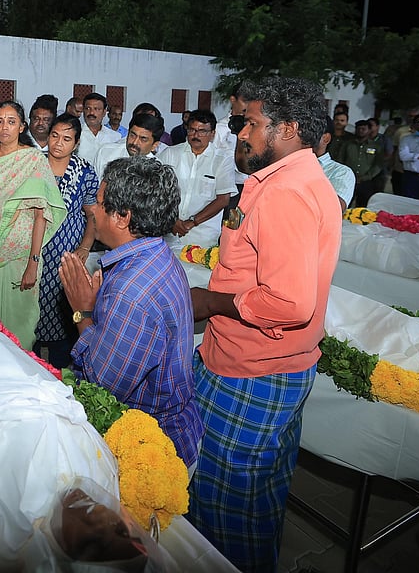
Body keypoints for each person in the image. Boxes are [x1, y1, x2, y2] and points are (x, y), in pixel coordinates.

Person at [188, 76, 339, 573]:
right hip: (271, 364)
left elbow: (290, 303)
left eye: (251, 123)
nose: (241, 133)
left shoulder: (285, 193)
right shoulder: (290, 180)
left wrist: (210, 301)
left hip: (251, 373)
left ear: (287, 129)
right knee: (258, 502)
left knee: (224, 508)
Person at [59, 156, 203, 465]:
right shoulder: (154, 254)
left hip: (149, 451)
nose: (92, 211)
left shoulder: (131, 291)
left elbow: (102, 386)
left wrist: (82, 312)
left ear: (123, 217)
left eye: (100, 203)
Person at [0, 100, 66, 350]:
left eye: (11, 122)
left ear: (22, 127)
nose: (4, 127)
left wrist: (33, 263)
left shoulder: (34, 160)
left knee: (17, 328)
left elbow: (41, 215)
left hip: (19, 257)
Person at [34, 113, 99, 369]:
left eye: (66, 139)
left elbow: (92, 214)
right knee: (32, 315)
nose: (58, 143)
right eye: (54, 136)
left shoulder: (84, 171)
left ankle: (63, 372)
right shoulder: (33, 165)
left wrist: (85, 247)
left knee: (64, 314)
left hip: (68, 254)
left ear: (77, 143)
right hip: (35, 253)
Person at [165, 109, 236, 251]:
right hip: (168, 233)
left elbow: (223, 199)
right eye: (192, 130)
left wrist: (192, 222)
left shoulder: (222, 160)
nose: (196, 135)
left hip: (202, 239)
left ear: (213, 134)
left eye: (202, 131)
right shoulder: (170, 153)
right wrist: (172, 220)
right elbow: (157, 191)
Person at [93, 112, 164, 180]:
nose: (135, 143)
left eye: (143, 139)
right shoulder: (106, 152)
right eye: (132, 135)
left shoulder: (157, 170)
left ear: (154, 145)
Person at [337, 119, 383, 207]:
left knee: (363, 207)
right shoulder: (347, 144)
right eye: (358, 129)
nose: (361, 131)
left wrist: (366, 177)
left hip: (367, 181)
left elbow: (378, 164)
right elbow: (340, 160)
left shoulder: (375, 146)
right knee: (344, 205)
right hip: (348, 180)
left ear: (369, 130)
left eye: (363, 129)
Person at [315, 117, 355, 210]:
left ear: (326, 138)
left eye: (308, 133)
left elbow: (335, 209)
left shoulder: (341, 172)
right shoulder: (287, 164)